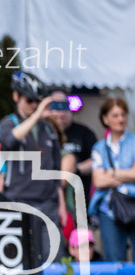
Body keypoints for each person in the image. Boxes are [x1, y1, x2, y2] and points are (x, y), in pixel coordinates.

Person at [0, 71, 66, 262]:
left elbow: (56, 170)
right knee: (19, 259)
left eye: (37, 101)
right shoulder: (8, 123)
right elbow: (8, 141)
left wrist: (61, 205)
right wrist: (36, 116)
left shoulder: (48, 129)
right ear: (16, 96)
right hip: (18, 201)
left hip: (48, 203)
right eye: (29, 100)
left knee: (54, 258)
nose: (34, 106)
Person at [89, 97, 135, 262]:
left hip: (133, 202)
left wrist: (112, 173)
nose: (120, 119)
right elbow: (99, 182)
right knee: (114, 260)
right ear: (105, 119)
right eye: (115, 115)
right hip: (109, 209)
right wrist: (127, 173)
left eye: (123, 114)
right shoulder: (99, 147)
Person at [48, 89, 98, 218]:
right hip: (49, 199)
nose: (60, 112)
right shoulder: (43, 133)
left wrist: (75, 169)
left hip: (79, 200)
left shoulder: (84, 132)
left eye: (63, 106)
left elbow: (97, 159)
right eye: (55, 106)